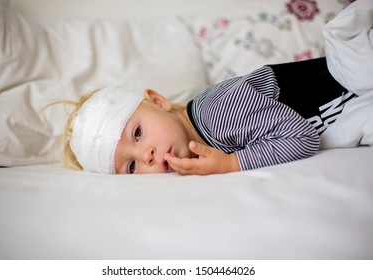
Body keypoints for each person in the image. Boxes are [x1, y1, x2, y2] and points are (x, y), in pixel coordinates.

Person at [58, 0, 373, 175]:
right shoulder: (204, 129)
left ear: (158, 100)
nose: (148, 155)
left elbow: (302, 138)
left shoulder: (215, 114)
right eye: (131, 166)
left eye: (137, 133)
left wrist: (231, 163)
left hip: (342, 82)